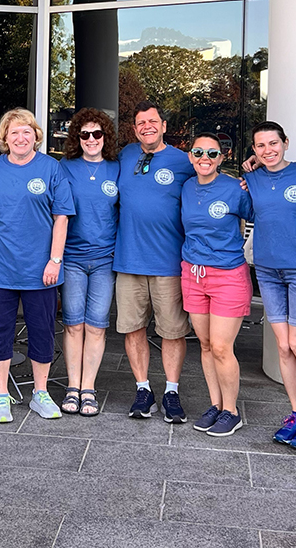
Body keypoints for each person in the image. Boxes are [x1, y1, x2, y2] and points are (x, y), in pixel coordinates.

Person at [0, 108, 74, 423]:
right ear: (4, 138)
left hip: (40, 269)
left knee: (42, 332)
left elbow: (61, 217)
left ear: (36, 135)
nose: (20, 137)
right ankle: (2, 395)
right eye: (14, 132)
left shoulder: (51, 168)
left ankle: (40, 393)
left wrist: (54, 260)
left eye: (27, 131)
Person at [243, 121, 296, 449]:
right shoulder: (252, 178)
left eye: (273, 143)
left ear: (285, 143)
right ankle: (295, 414)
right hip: (267, 272)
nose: (268, 151)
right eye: (260, 146)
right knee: (283, 346)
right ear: (254, 150)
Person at [113, 101, 195, 424]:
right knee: (132, 329)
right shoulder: (125, 157)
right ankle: (143, 388)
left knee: (172, 331)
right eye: (140, 122)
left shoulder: (182, 161)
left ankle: (171, 392)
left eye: (152, 121)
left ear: (163, 126)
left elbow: (210, 180)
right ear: (135, 129)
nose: (146, 126)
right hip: (129, 261)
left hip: (168, 264)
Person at [181, 133, 253, 437]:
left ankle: (231, 411)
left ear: (222, 157)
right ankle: (215, 404)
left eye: (212, 153)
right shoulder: (186, 187)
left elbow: (262, 215)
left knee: (222, 347)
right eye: (198, 152)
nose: (204, 158)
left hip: (228, 275)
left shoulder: (235, 188)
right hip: (193, 274)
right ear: (190, 156)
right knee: (207, 345)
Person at [58, 108, 120, 416]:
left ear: (105, 137)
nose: (91, 139)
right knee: (74, 324)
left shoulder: (116, 169)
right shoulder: (65, 167)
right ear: (77, 138)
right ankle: (72, 386)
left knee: (96, 325)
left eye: (97, 134)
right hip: (71, 258)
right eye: (85, 134)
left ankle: (88, 388)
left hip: (105, 259)